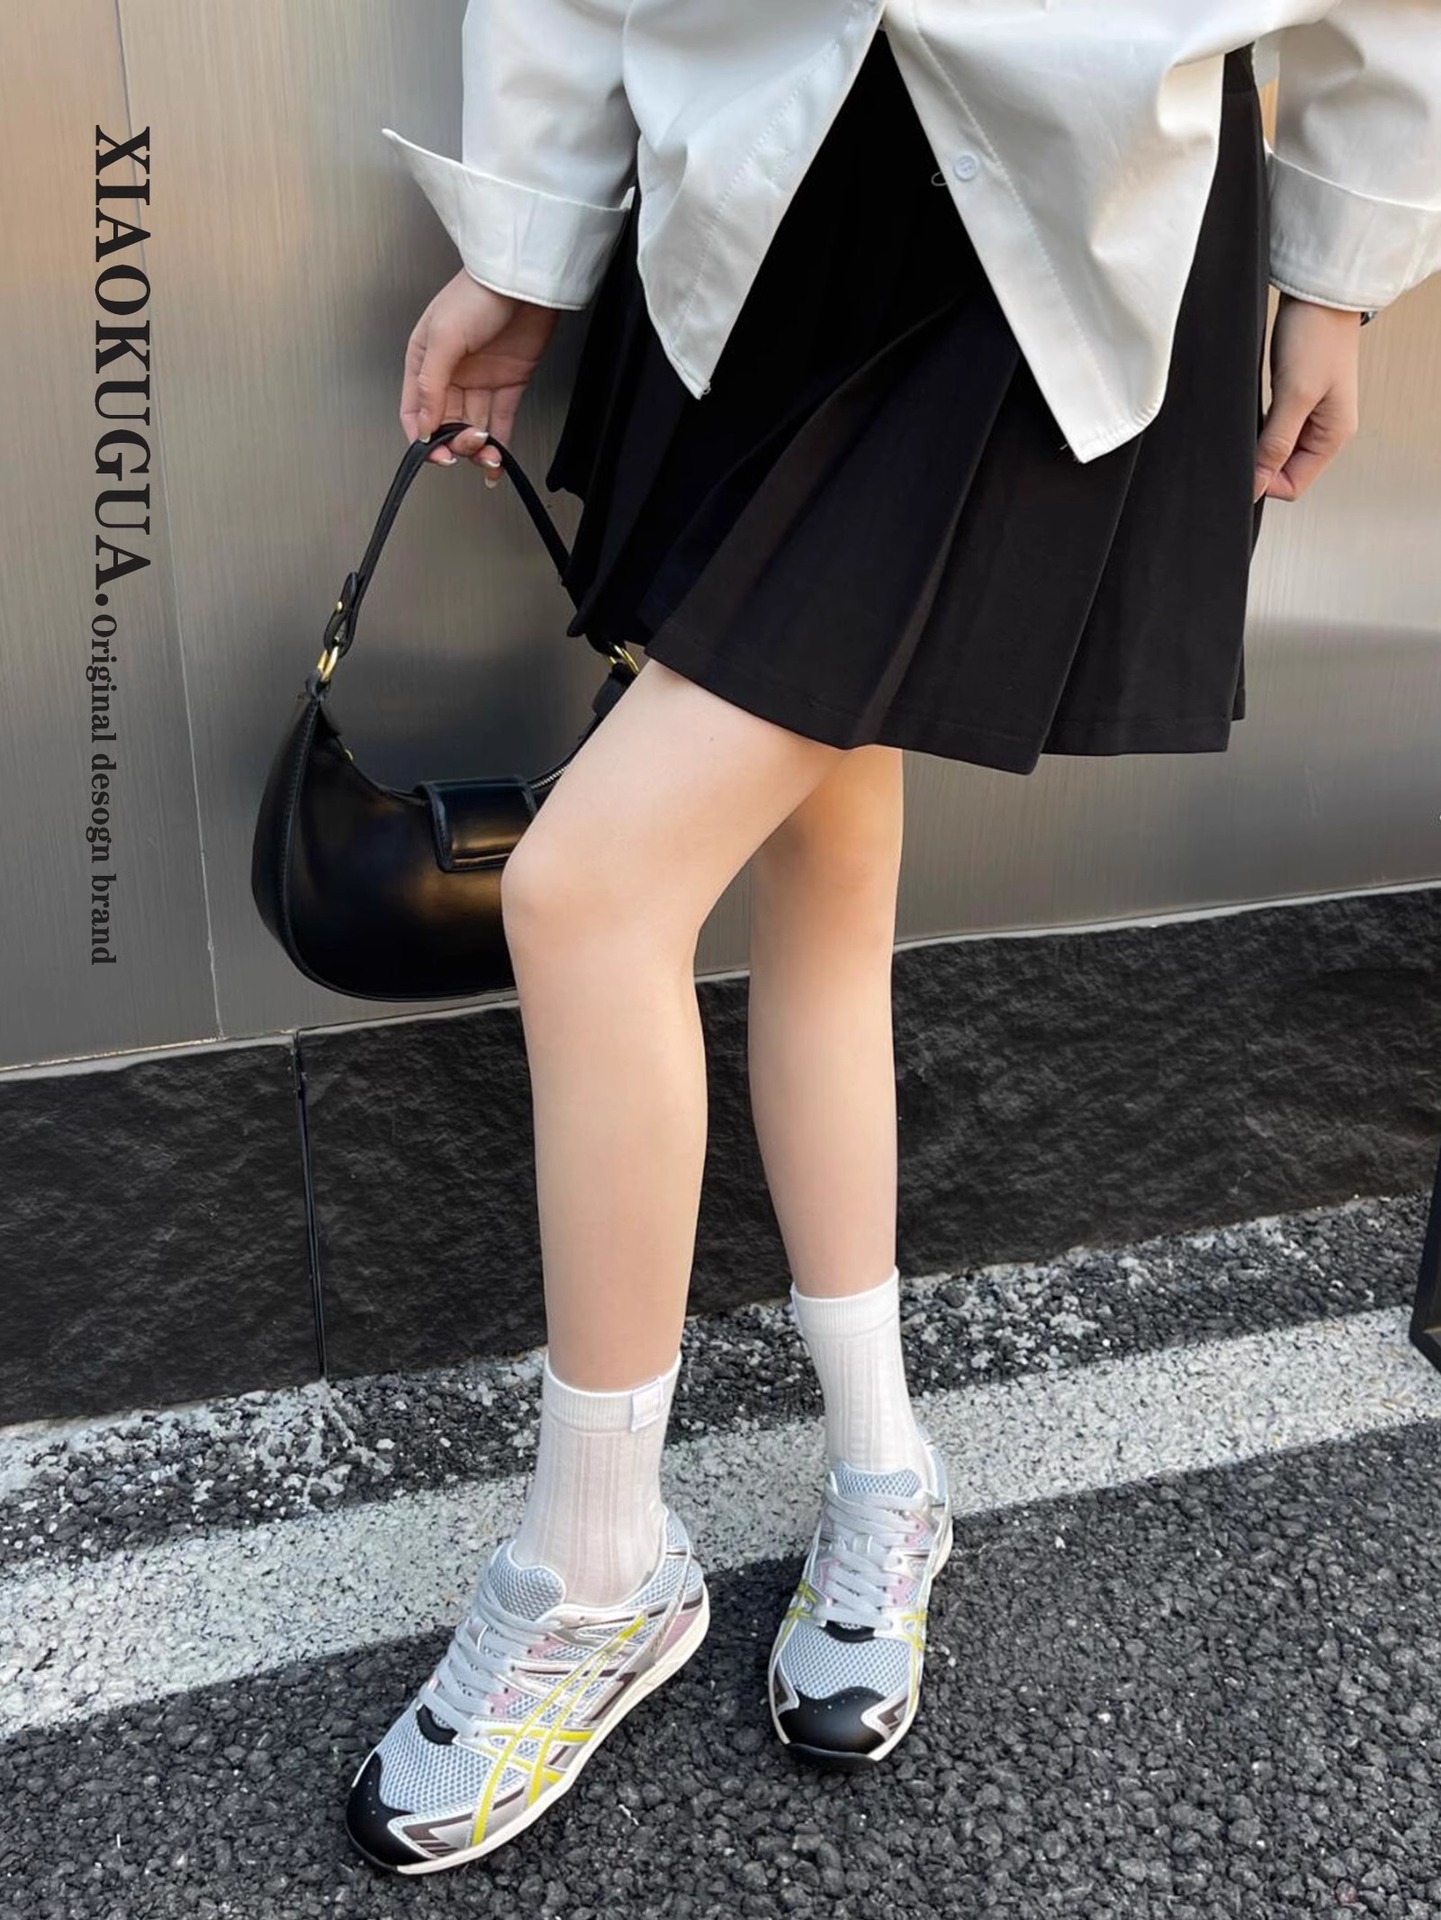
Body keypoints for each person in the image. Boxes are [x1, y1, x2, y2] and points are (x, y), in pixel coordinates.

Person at [344, 0, 1441, 1877]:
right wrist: (525, 241)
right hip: (757, 183)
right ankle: (881, 1468)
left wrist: (1334, 265)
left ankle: (598, 1566)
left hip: (1067, 203)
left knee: (585, 890)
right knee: (828, 865)